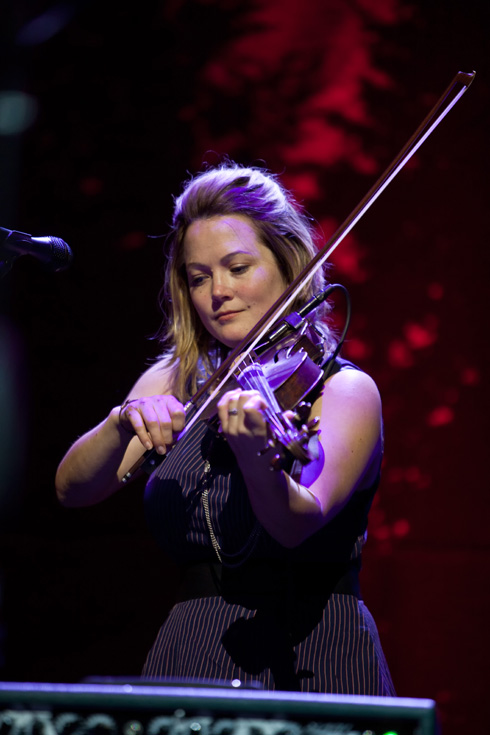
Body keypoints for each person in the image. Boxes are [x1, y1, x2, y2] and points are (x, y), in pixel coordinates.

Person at [55, 162, 395, 694]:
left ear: (289, 264)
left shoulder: (343, 389)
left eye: (238, 268)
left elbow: (296, 523)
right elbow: (71, 490)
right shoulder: (174, 380)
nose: (218, 291)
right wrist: (122, 422)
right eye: (198, 277)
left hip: (314, 652)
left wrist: (257, 455)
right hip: (190, 649)